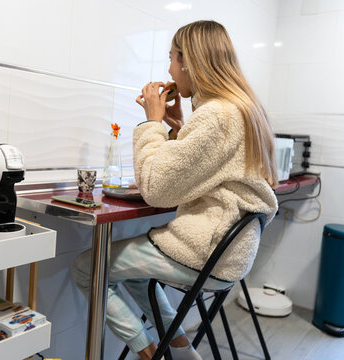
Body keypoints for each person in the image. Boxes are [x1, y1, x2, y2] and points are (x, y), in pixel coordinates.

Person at [72, 20, 278, 360]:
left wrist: (152, 122)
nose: (168, 68)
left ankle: (151, 354)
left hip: (207, 252)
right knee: (134, 274)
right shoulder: (241, 109)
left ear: (189, 61)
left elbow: (157, 189)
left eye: (171, 57)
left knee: (86, 266)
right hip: (229, 252)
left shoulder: (218, 114)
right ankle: (182, 353)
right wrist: (179, 126)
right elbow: (207, 166)